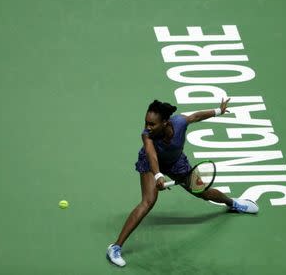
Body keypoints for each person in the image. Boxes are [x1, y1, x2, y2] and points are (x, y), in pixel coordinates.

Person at [106, 99, 259, 267]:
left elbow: (196, 116)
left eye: (152, 124)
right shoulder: (146, 135)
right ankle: (115, 247)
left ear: (165, 122)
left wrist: (218, 111)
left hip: (176, 163)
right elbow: (151, 154)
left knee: (203, 192)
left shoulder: (179, 122)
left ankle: (234, 203)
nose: (147, 126)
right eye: (146, 122)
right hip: (151, 165)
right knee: (148, 201)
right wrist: (157, 175)